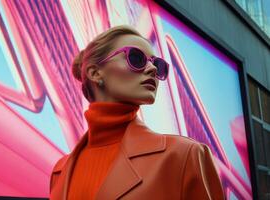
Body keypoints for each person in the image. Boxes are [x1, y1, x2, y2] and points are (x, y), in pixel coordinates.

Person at [49, 25, 225, 200]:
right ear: (95, 73)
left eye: (158, 64)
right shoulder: (60, 170)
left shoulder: (184, 156)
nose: (153, 69)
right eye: (136, 58)